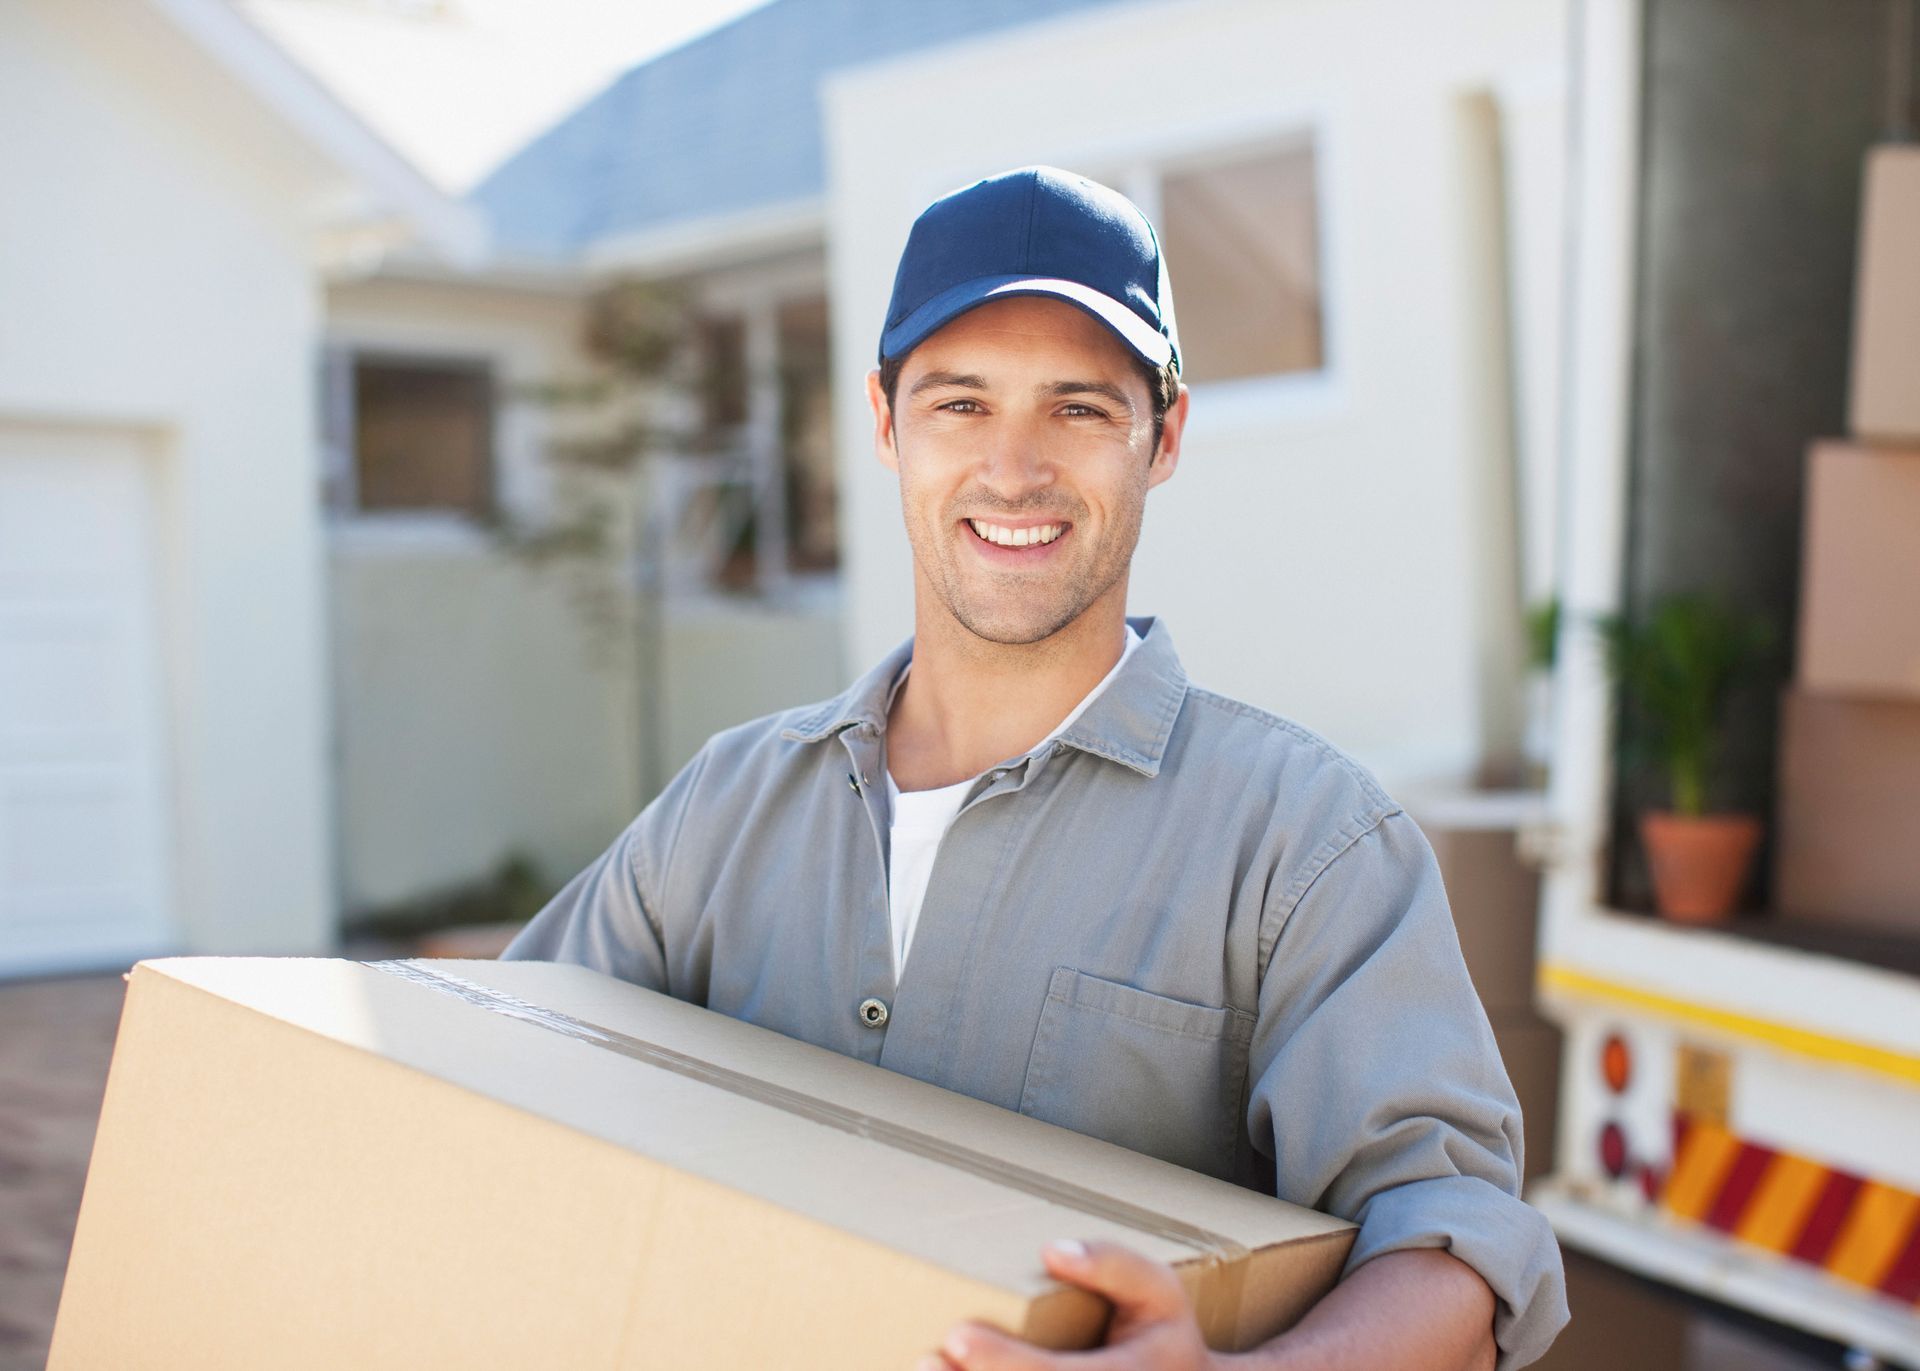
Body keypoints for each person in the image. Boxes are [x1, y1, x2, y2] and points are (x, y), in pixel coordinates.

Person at [502, 165, 1568, 1370]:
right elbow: (501, 1077)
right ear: (885, 422)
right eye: (961, 404)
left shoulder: (1304, 841)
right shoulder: (725, 808)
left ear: (1162, 437)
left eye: (1077, 408)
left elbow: (1454, 1245)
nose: (1014, 471)